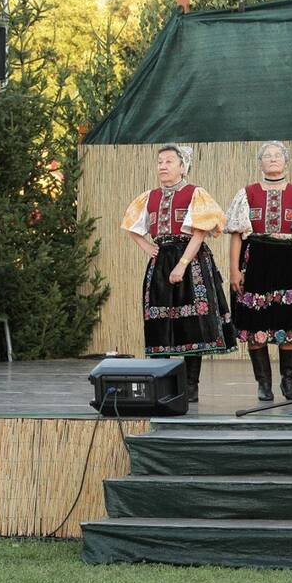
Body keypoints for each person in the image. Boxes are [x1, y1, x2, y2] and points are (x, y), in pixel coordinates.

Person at [121, 144, 236, 403]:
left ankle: (190, 386)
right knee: (160, 319)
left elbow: (200, 232)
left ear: (183, 167)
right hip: (161, 260)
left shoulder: (195, 193)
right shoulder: (148, 197)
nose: (162, 166)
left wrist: (182, 264)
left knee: (192, 323)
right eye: (160, 161)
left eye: (169, 161)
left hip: (191, 259)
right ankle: (163, 385)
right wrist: (146, 245)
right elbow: (130, 225)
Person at [224, 141, 292, 402]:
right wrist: (234, 270)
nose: (272, 159)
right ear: (260, 163)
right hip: (256, 259)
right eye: (267, 156)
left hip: (289, 261)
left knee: (289, 323)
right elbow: (236, 235)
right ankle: (263, 384)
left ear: (286, 161)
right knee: (255, 323)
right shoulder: (246, 193)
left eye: (277, 155)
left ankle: (288, 381)